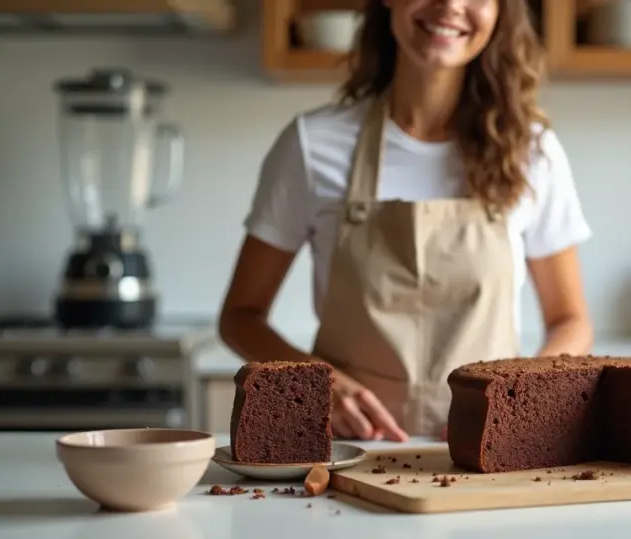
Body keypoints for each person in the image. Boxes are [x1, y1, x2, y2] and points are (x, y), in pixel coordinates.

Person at [218, 0, 593, 443]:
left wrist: (518, 395)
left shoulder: (532, 152)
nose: (451, 6)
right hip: (344, 450)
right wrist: (319, 384)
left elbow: (571, 320)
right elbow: (241, 317)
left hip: (489, 450)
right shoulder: (312, 145)